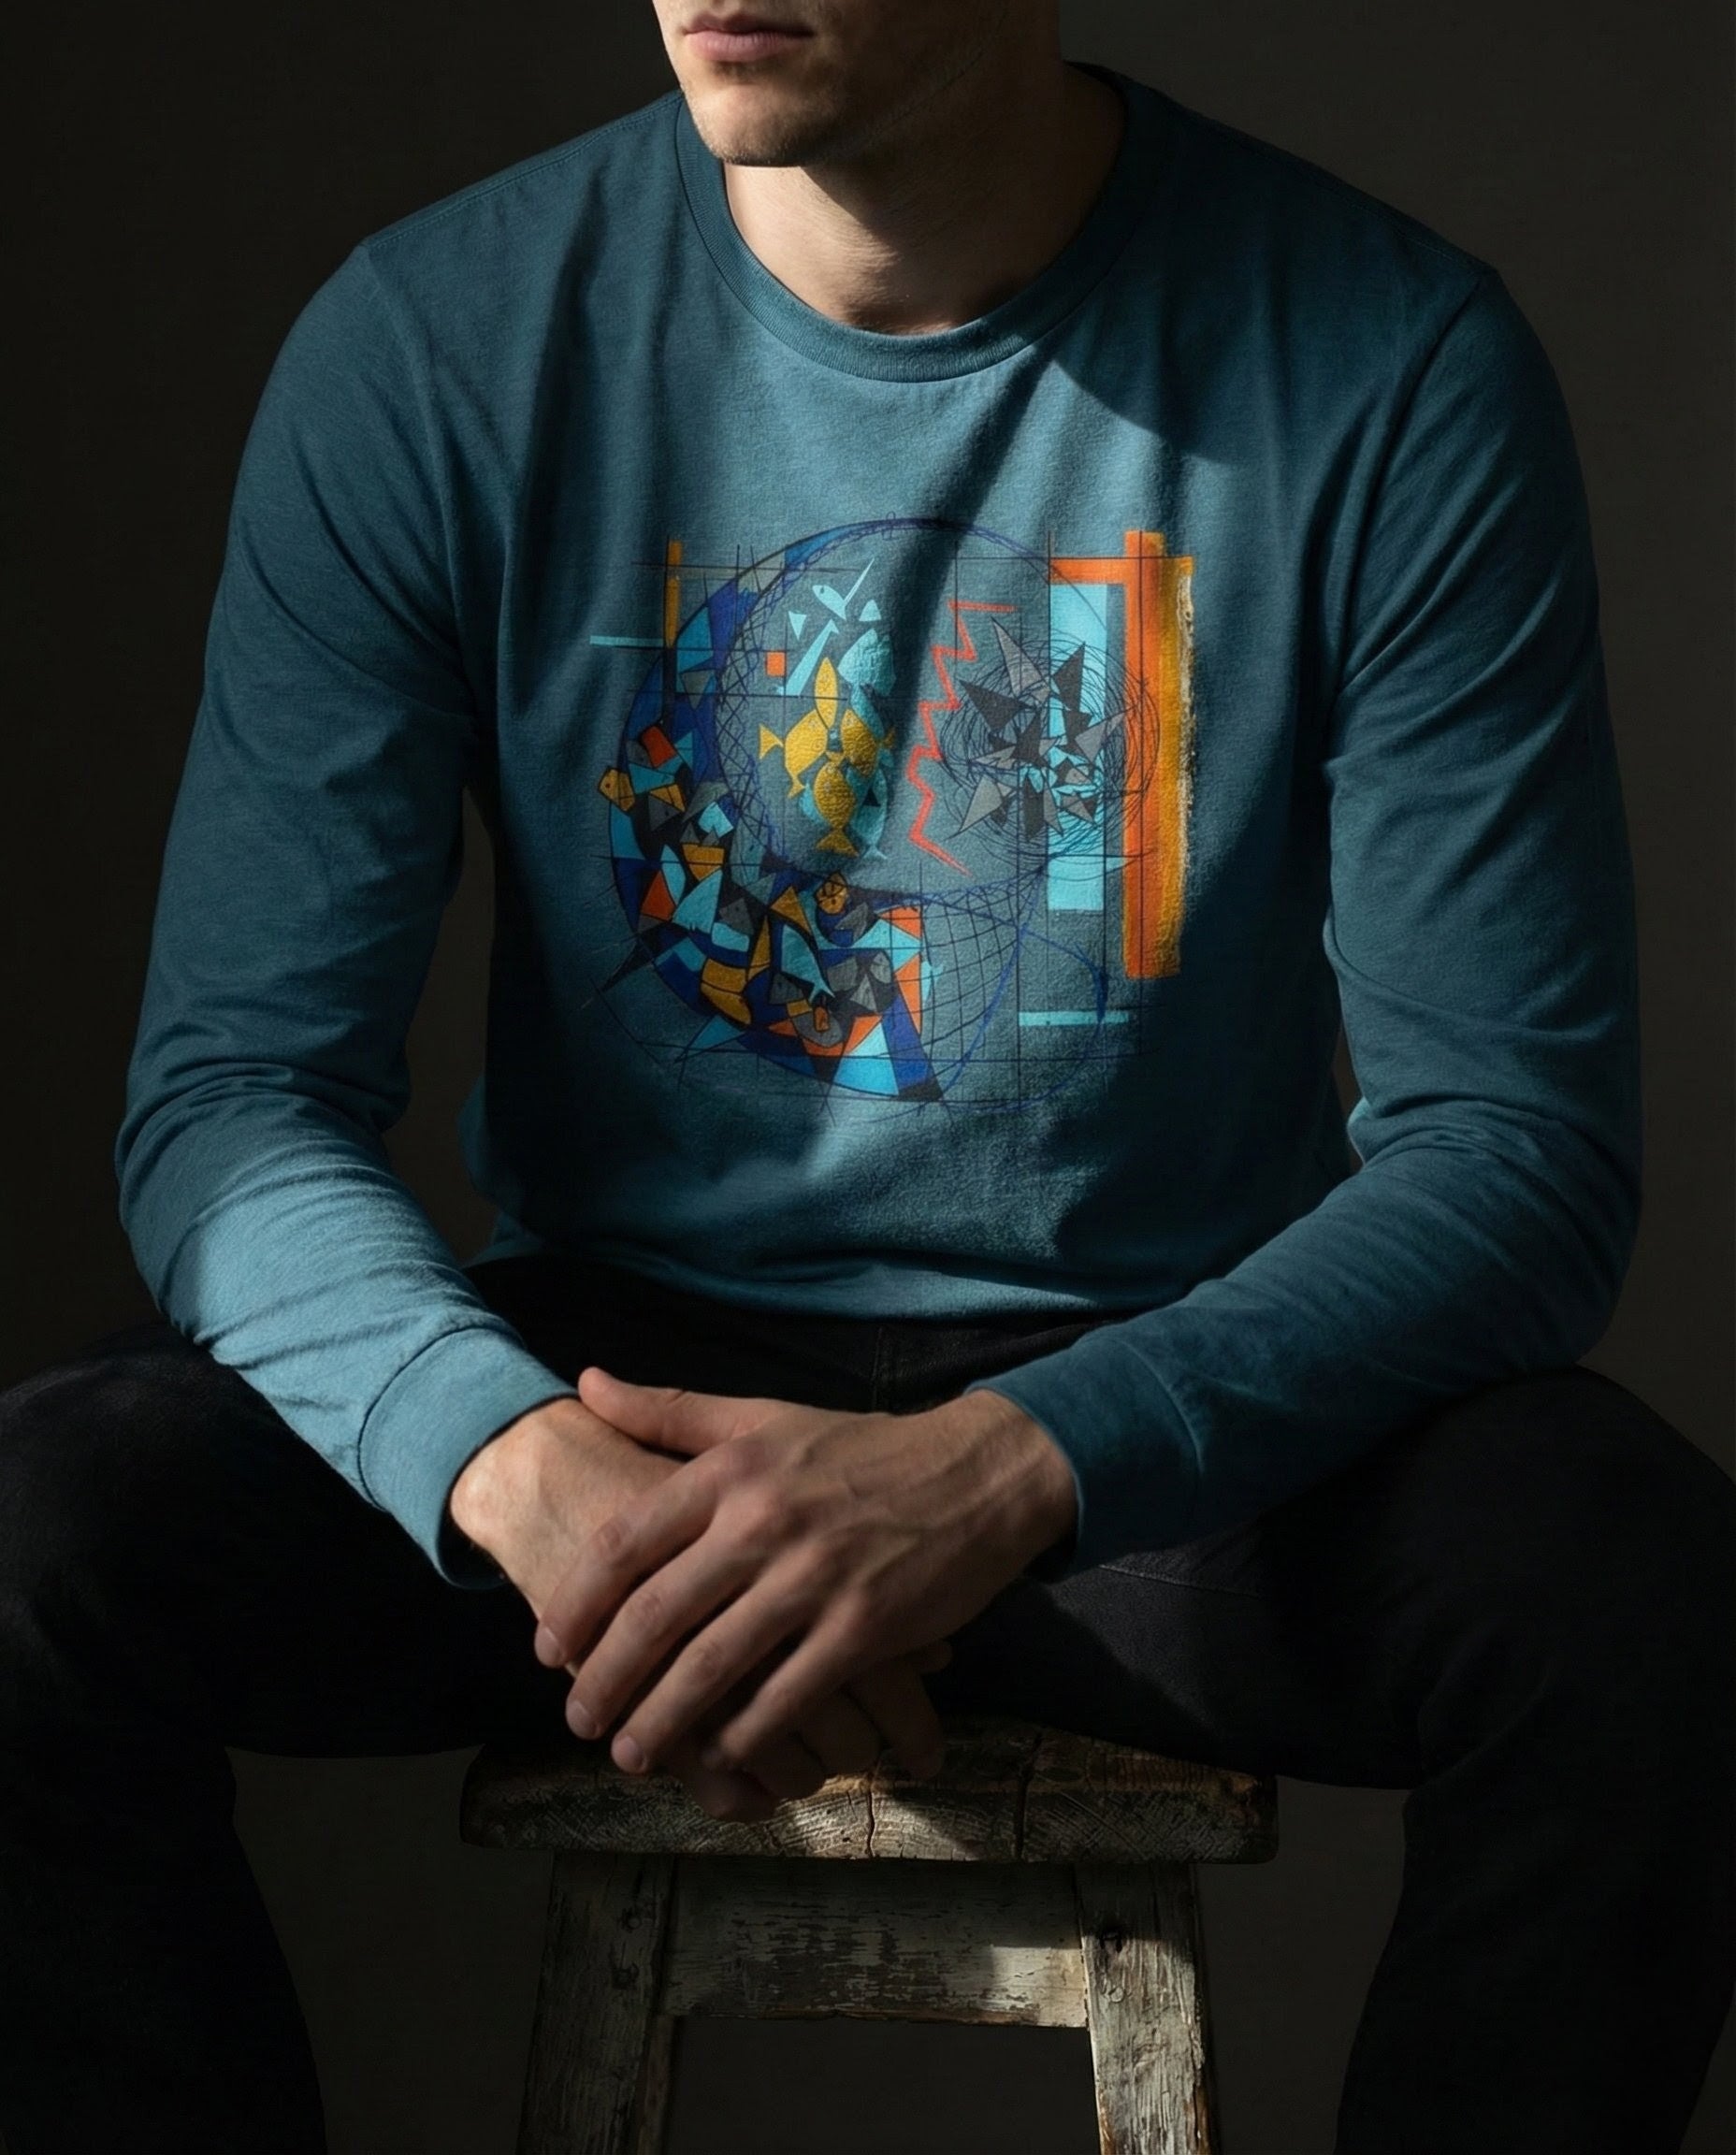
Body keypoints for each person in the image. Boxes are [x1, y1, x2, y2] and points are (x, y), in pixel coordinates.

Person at [1, 2, 1729, 2148]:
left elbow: (1517, 1158)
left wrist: (995, 1479)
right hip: (616, 1410)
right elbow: (230, 1100)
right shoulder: (438, 340)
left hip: (1155, 1429)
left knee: (1644, 1600)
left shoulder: (1380, 357)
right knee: (27, 1534)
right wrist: (536, 1483)